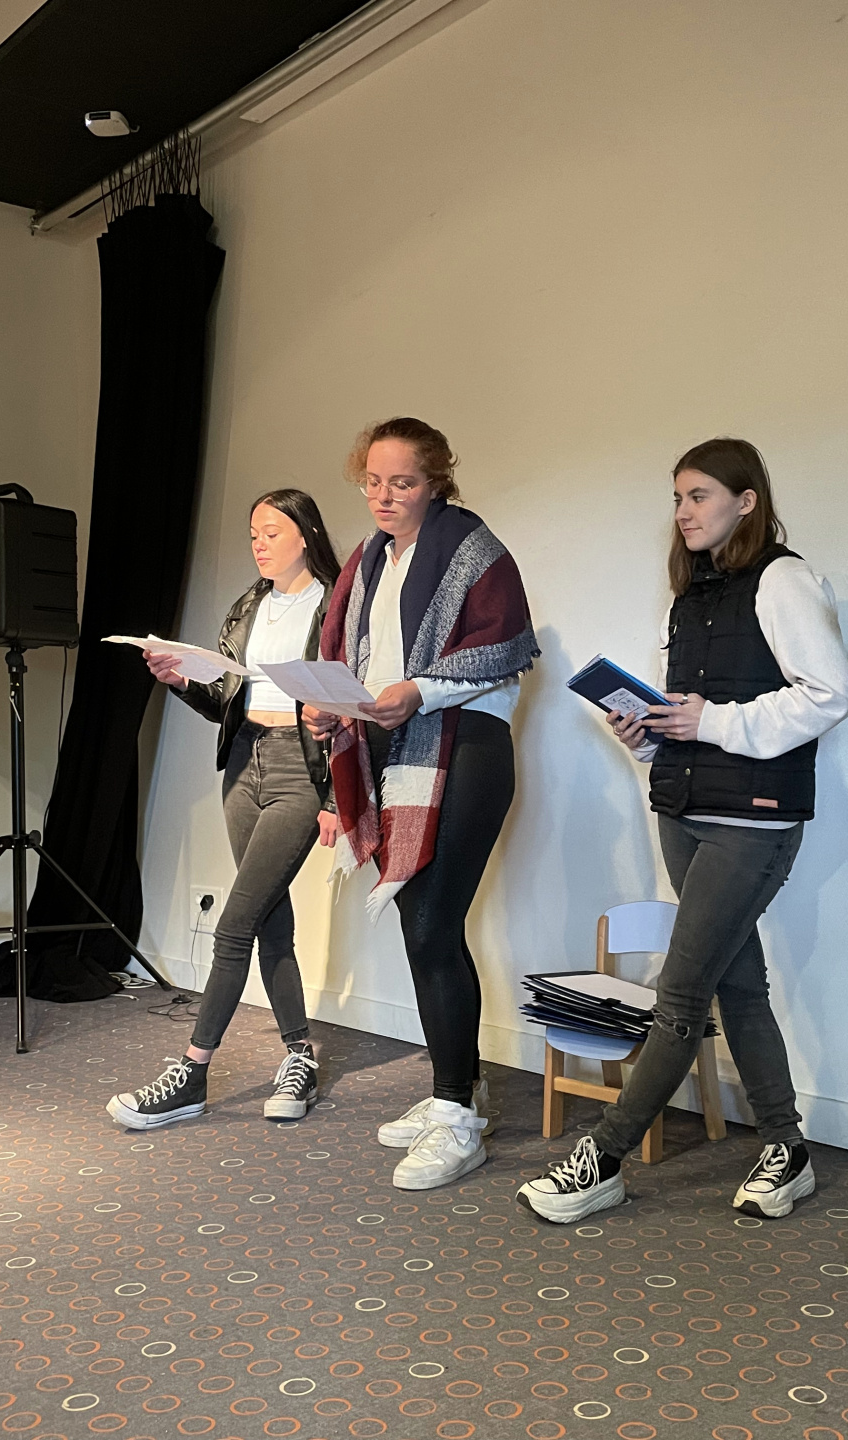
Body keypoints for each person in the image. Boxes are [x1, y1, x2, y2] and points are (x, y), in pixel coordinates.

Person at [517, 438, 848, 1224]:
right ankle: (788, 1148)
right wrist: (649, 733)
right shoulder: (692, 596)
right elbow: (689, 715)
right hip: (684, 812)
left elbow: (828, 694)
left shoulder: (785, 580)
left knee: (679, 995)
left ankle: (603, 1157)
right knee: (738, 985)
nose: (683, 511)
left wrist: (713, 721)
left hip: (753, 821)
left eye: (699, 495)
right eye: (677, 498)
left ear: (746, 500)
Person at [307, 417, 537, 1191]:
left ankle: (457, 1120)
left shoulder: (473, 549)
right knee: (422, 930)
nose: (384, 496)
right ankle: (459, 1090)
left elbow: (504, 651)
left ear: (435, 481)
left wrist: (420, 691)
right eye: (372, 481)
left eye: (401, 482)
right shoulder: (368, 559)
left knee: (434, 924)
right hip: (396, 750)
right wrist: (332, 707)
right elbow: (356, 660)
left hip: (464, 748)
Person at [107, 489, 343, 1129]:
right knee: (268, 918)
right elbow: (225, 704)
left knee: (234, 925)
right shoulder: (248, 606)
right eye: (253, 534)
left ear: (305, 534)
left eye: (272, 532)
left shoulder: (336, 605)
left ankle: (192, 1073)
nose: (259, 544)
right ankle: (300, 1056)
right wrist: (181, 681)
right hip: (243, 762)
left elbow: (352, 706)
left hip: (301, 768)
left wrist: (334, 798)